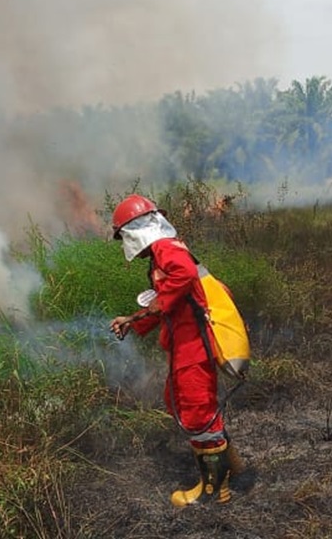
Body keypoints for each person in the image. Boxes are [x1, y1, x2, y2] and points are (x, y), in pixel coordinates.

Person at [108, 194, 242, 507]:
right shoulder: (162, 253)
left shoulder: (166, 249)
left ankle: (214, 489)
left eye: (124, 237)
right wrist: (134, 322)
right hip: (185, 343)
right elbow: (170, 302)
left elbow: (183, 276)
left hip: (192, 345)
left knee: (197, 411)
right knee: (185, 404)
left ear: (136, 230)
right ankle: (231, 466)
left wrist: (155, 305)